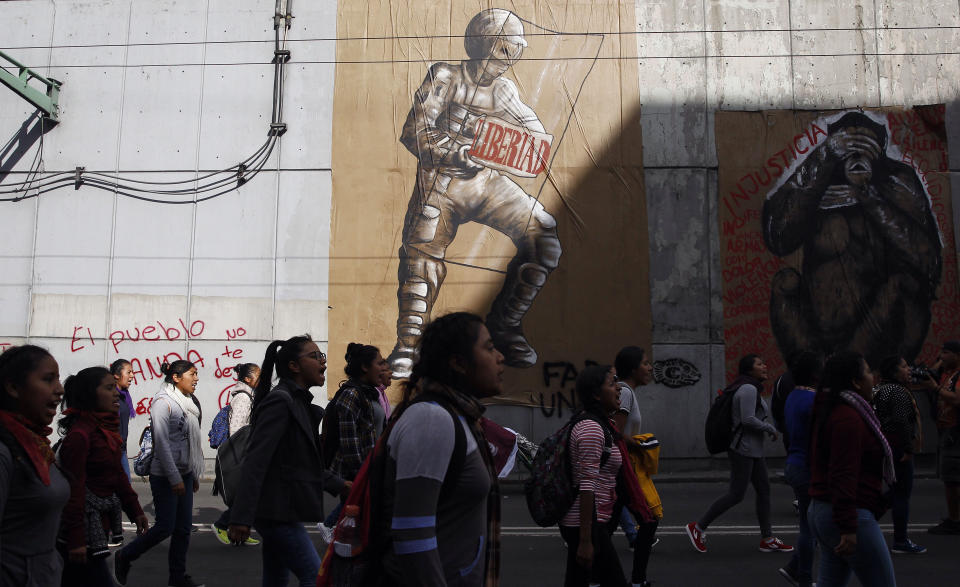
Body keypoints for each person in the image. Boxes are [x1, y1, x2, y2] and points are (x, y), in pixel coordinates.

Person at [386, 8, 562, 377]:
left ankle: (505, 324)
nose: (512, 58)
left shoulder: (504, 89)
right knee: (421, 256)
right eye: (506, 48)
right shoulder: (445, 77)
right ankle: (409, 344)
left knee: (543, 234)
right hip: (441, 183)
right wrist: (453, 152)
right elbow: (414, 130)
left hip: (484, 180)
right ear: (487, 45)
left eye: (516, 49)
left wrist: (524, 144)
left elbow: (529, 125)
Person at [380, 312, 503, 585]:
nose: (500, 357)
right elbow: (412, 532)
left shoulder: (460, 417)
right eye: (489, 347)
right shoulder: (431, 419)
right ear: (458, 363)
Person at [227, 336, 348, 587]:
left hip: (282, 509)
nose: (323, 363)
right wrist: (241, 517)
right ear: (294, 366)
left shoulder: (298, 402)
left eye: (321, 356)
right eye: (315, 357)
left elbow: (303, 463)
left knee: (276, 579)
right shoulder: (281, 401)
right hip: (276, 511)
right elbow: (256, 462)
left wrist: (343, 485)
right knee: (316, 578)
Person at [686, 354, 793, 553]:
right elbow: (747, 419)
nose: (765, 366)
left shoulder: (750, 387)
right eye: (760, 364)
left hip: (753, 450)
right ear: (749, 370)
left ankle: (767, 538)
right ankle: (698, 527)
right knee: (736, 494)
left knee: (764, 490)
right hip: (743, 449)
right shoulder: (748, 388)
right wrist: (769, 428)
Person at [808, 351, 897, 586]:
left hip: (824, 510)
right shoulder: (848, 417)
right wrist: (848, 526)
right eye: (868, 371)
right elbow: (842, 474)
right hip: (849, 515)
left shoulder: (832, 408)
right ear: (855, 382)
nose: (873, 377)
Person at [114, 360, 205, 587]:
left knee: (183, 529)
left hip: (183, 472)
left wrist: (191, 474)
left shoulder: (188, 403)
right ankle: (125, 555)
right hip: (165, 475)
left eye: (196, 374)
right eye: (192, 374)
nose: (196, 379)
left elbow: (191, 443)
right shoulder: (162, 403)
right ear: (176, 377)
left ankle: (177, 577)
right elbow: (162, 443)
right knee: (165, 526)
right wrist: (175, 478)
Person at [57, 366, 149, 586]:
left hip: (96, 530)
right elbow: (74, 491)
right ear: (91, 394)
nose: (116, 393)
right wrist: (76, 539)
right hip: (80, 538)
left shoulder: (105, 432)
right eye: (109, 388)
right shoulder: (80, 436)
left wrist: (135, 510)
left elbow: (116, 475)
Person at [0, 345, 70, 586]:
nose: (59, 390)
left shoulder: (35, 444)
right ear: (13, 388)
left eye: (58, 379)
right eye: (48, 379)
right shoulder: (5, 450)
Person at [558, 365, 628, 587]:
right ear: (596, 394)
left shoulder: (599, 424)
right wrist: (586, 541)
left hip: (588, 521)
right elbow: (587, 485)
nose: (619, 389)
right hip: (586, 523)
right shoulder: (591, 428)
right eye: (611, 384)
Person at [320, 344, 387, 534]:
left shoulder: (368, 393)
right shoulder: (352, 395)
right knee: (356, 531)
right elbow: (349, 443)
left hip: (368, 471)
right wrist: (363, 477)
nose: (383, 368)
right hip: (356, 475)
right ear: (365, 367)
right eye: (379, 363)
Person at [872, 355, 926, 553]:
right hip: (896, 447)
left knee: (893, 491)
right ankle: (901, 541)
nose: (909, 369)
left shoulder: (877, 389)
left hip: (880, 445)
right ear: (894, 371)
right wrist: (908, 448)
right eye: (904, 367)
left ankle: (865, 518)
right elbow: (901, 422)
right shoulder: (898, 392)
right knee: (902, 493)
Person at [779, 350, 824, 587]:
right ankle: (804, 578)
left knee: (812, 524)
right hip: (807, 468)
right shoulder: (813, 400)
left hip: (794, 464)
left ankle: (795, 567)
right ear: (816, 374)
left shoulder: (794, 396)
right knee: (810, 527)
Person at [612, 346, 658, 570]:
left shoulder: (627, 391)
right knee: (649, 515)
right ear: (632, 369)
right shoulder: (625, 392)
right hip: (622, 463)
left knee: (617, 511)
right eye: (646, 363)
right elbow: (615, 432)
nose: (650, 368)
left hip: (625, 463)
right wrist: (640, 443)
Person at [212, 363, 261, 546]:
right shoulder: (243, 398)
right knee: (245, 497)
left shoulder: (248, 396)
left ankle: (240, 530)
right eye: (258, 376)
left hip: (243, 452)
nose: (261, 379)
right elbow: (237, 430)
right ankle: (222, 525)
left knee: (246, 496)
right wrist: (243, 455)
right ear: (247, 379)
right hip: (240, 453)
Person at [929, 340, 960, 534]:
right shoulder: (947, 373)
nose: (942, 356)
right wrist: (940, 363)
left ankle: (955, 520)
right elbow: (930, 373)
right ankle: (954, 517)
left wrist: (935, 388)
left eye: (946, 353)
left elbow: (957, 399)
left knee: (953, 477)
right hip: (947, 431)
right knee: (950, 477)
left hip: (956, 432)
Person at [111, 359, 135, 482]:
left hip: (121, 449)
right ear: (116, 375)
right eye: (129, 372)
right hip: (112, 450)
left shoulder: (124, 395)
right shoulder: (111, 396)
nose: (132, 375)